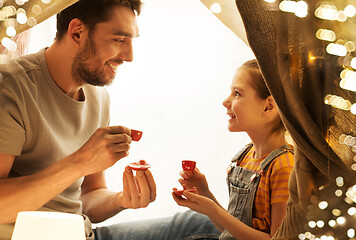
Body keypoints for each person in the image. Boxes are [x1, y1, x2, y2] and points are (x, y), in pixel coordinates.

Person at [0, 1, 157, 239]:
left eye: (132, 40)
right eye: (119, 39)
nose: (129, 56)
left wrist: (122, 200)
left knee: (198, 224)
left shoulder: (98, 96)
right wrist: (79, 162)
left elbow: (89, 196)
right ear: (77, 32)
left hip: (81, 233)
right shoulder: (11, 87)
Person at [172, 59, 295, 240]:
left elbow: (276, 239)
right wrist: (204, 192)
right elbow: (230, 230)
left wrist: (212, 209)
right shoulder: (244, 157)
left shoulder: (283, 167)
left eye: (237, 93)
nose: (225, 101)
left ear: (268, 106)